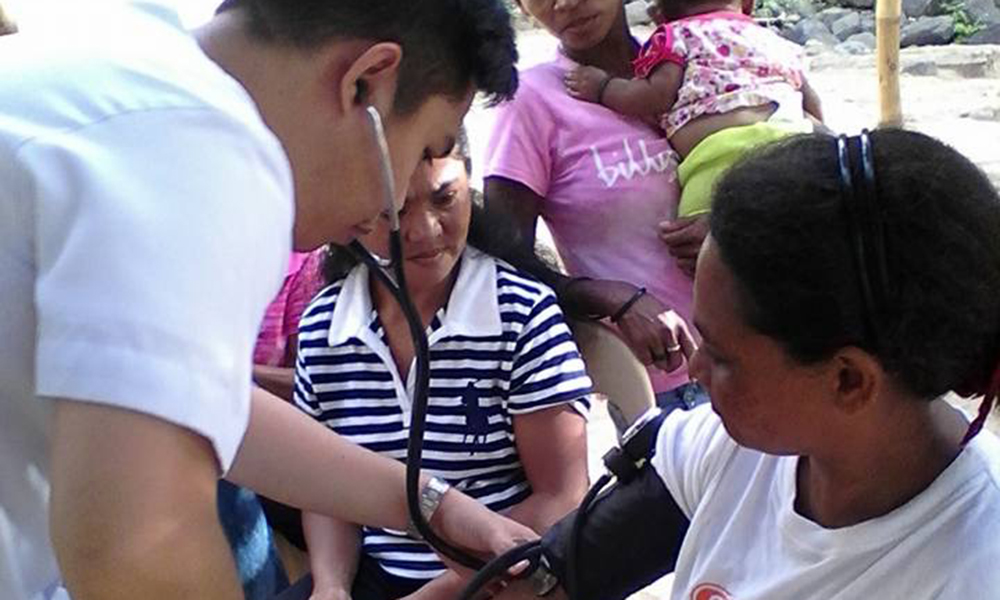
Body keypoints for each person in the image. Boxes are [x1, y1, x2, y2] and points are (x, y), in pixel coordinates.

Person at [0, 2, 533, 599]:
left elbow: (200, 408)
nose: (396, 204)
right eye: (422, 146)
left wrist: (432, 505)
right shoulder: (211, 146)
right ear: (366, 84)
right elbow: (138, 550)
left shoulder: (123, 67)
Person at [499, 129, 1000, 600]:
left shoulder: (972, 569)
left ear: (849, 381)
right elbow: (544, 583)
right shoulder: (732, 451)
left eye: (721, 356)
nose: (695, 367)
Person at [298, 132, 592, 600]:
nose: (425, 230)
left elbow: (562, 499)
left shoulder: (520, 313)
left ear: (469, 182)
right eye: (394, 212)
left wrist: (441, 593)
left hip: (497, 576)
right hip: (373, 573)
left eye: (444, 198)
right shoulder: (324, 326)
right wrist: (331, 585)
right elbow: (324, 486)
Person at [485, 0, 705, 415]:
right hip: (662, 393)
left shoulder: (699, 62)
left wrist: (732, 223)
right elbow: (502, 266)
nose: (565, 3)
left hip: (766, 355)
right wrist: (611, 298)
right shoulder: (529, 103)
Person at [563, 0, 823, 217]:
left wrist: (604, 87)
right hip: (790, 143)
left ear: (659, 15)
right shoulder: (770, 38)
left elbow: (655, 95)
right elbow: (811, 101)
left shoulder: (675, 35)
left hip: (718, 159)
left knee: (700, 251)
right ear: (748, 4)